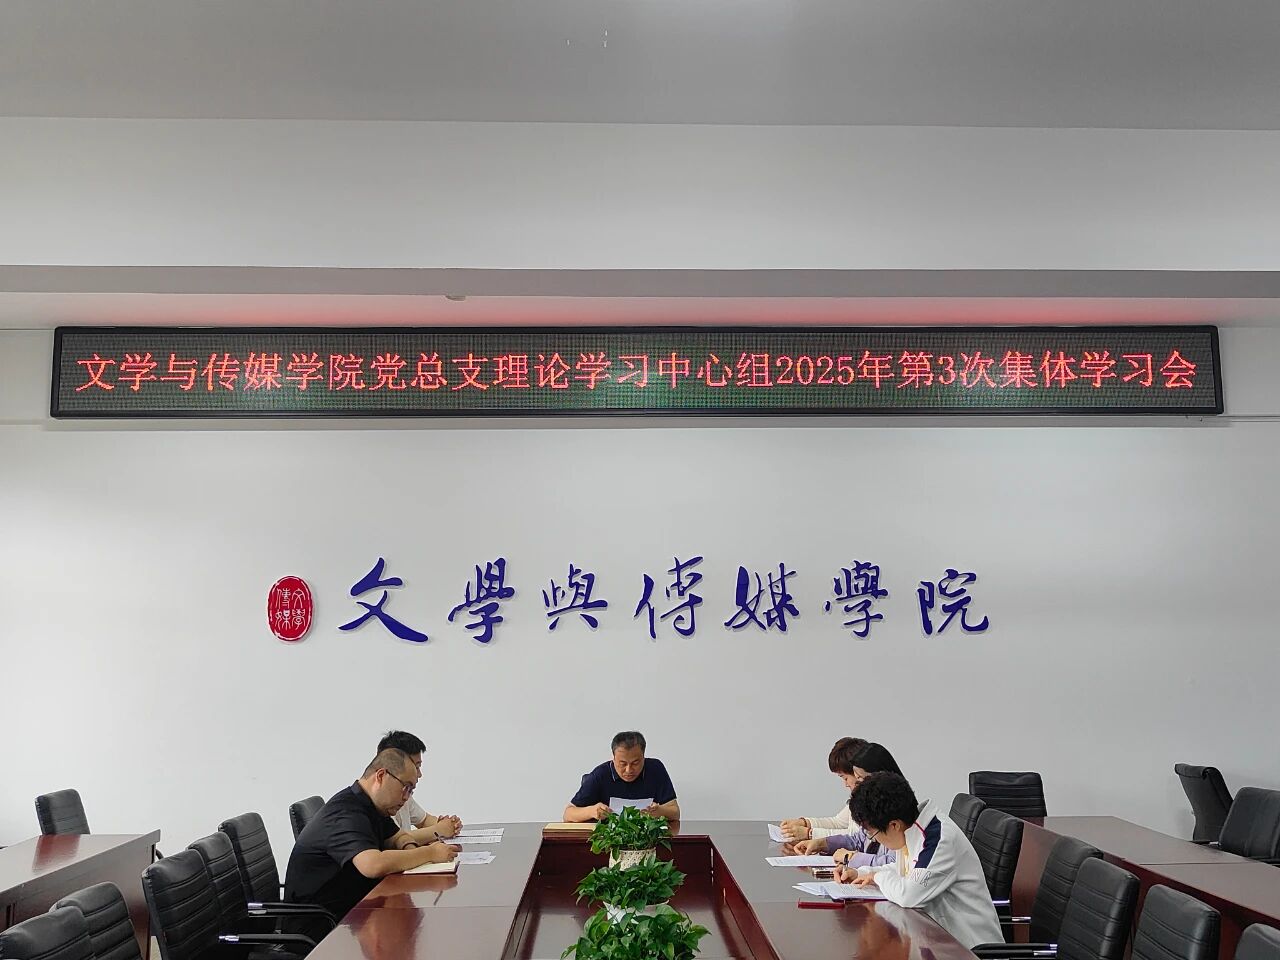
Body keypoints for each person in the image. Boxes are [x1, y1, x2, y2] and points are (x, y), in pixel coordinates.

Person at [285, 748, 459, 923]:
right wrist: (429, 853)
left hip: (355, 910)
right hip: (321, 923)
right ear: (381, 776)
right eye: (405, 787)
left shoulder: (371, 805)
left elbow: (399, 837)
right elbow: (372, 865)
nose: (407, 797)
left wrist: (411, 850)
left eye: (411, 791)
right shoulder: (345, 812)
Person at [835, 771, 1003, 950]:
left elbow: (908, 895)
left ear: (894, 825)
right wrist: (862, 873)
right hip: (937, 940)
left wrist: (877, 877)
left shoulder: (938, 839)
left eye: (873, 834)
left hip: (971, 950)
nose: (875, 839)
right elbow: (904, 872)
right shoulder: (911, 828)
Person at [789, 741, 903, 869]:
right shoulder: (872, 804)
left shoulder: (898, 809)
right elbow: (859, 839)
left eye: (860, 779)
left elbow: (896, 864)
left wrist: (851, 857)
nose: (856, 785)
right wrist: (822, 844)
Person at [563, 731, 679, 822]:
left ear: (643, 757)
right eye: (622, 763)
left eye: (635, 763)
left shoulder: (656, 769)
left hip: (647, 838)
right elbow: (568, 814)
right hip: (609, 839)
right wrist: (591, 811)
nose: (628, 770)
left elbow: (675, 812)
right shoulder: (600, 774)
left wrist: (660, 811)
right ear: (613, 759)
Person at [376, 730, 463, 842]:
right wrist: (439, 830)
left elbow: (424, 820)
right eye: (416, 767)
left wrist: (449, 824)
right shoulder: (380, 802)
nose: (419, 774)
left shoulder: (404, 794)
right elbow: (395, 839)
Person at [779, 737, 868, 842]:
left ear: (858, 772)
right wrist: (805, 823)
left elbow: (856, 837)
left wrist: (809, 833)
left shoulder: (873, 800)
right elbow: (838, 823)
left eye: (845, 778)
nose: (845, 784)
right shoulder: (859, 797)